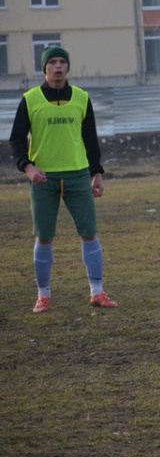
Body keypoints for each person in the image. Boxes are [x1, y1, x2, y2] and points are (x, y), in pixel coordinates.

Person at [9, 46, 117, 313]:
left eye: (62, 62)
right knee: (44, 237)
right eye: (53, 62)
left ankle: (97, 292)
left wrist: (98, 174)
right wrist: (28, 167)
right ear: (44, 68)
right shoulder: (30, 99)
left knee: (89, 234)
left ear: (68, 67)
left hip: (78, 176)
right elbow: (16, 140)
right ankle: (43, 295)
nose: (58, 66)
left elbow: (90, 140)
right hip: (43, 179)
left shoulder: (81, 98)